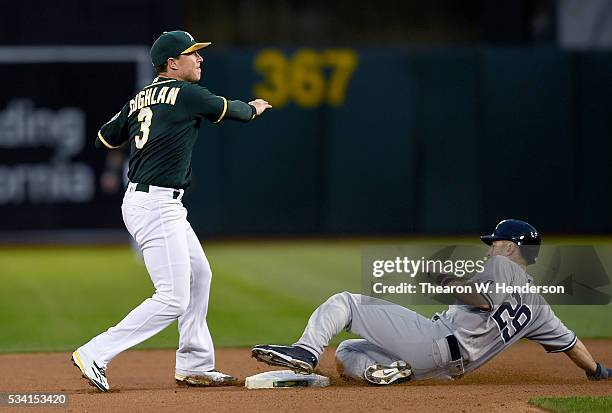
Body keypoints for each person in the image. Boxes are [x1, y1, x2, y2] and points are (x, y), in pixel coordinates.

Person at [71, 30, 271, 392]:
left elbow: (105, 136)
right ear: (172, 63)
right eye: (192, 54)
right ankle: (95, 352)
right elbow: (234, 111)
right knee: (173, 297)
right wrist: (255, 108)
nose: (200, 59)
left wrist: (139, 111)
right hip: (155, 204)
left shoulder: (140, 98)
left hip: (157, 201)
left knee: (200, 275)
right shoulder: (187, 93)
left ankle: (195, 365)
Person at [252, 219, 612, 385]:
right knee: (347, 351)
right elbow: (571, 343)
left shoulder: (502, 264)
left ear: (511, 247)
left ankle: (305, 351)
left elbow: (485, 302)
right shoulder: (539, 306)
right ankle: (390, 373)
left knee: (346, 302)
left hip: (436, 342)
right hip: (445, 372)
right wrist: (597, 371)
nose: (491, 247)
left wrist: (446, 281)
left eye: (495, 242)